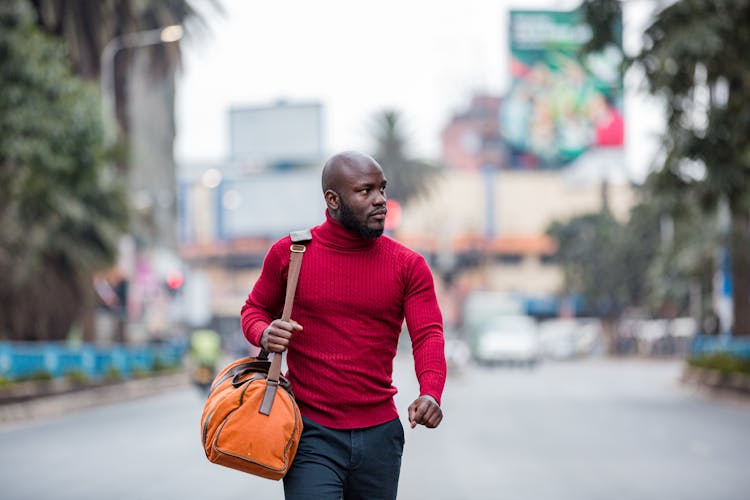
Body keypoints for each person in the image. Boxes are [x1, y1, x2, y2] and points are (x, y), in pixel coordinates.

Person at [241, 151, 447, 499]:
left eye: (382, 188)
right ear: (333, 200)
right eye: (365, 191)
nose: (380, 200)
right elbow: (254, 309)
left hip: (381, 435)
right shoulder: (290, 254)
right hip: (310, 432)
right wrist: (264, 332)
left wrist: (430, 391)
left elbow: (428, 333)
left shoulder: (408, 265)